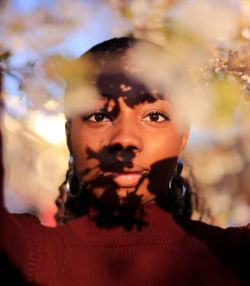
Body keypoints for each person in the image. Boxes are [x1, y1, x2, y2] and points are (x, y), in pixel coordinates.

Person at [0, 37, 249, 286]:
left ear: (182, 138)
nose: (125, 139)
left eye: (154, 116)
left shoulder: (236, 257)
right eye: (99, 116)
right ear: (69, 137)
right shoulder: (24, 254)